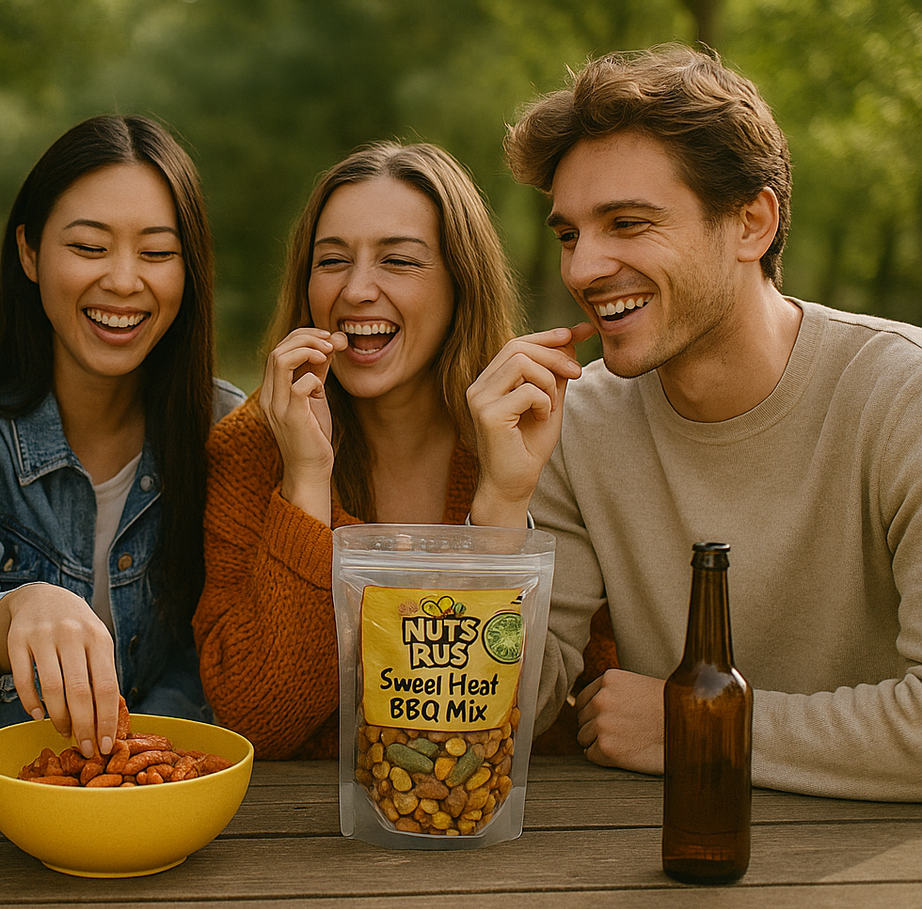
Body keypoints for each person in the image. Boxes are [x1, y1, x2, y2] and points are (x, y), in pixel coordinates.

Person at [499, 44, 922, 800]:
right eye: (568, 234)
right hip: (646, 870)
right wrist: (500, 505)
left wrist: (694, 722)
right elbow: (508, 715)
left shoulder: (903, 396)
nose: (581, 269)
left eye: (626, 223)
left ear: (750, 223)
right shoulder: (578, 420)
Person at [194, 141, 591, 759]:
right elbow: (259, 718)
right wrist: (305, 482)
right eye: (331, 261)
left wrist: (500, 500)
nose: (356, 290)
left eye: (399, 261)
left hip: (507, 827)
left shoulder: (537, 433)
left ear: (462, 281)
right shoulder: (252, 447)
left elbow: (543, 704)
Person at [0, 115, 243, 762]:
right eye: (88, 247)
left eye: (156, 252)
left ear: (189, 268)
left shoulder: (223, 426)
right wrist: (21, 608)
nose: (121, 280)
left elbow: (213, 656)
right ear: (29, 252)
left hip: (157, 797)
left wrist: (132, 758)